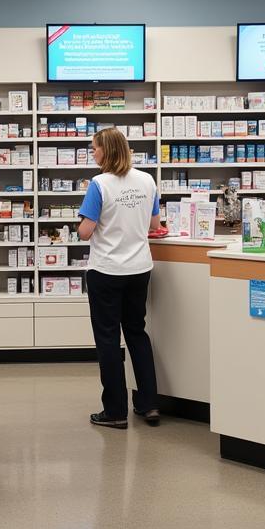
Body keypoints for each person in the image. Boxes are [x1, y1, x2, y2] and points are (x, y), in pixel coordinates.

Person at [77, 127, 161, 429]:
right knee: (137, 333)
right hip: (139, 269)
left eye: (95, 148)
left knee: (109, 340)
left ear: (107, 151)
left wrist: (87, 225)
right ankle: (149, 403)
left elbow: (85, 231)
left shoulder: (99, 184)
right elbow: (155, 224)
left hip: (107, 271)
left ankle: (114, 412)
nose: (93, 153)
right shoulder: (147, 180)